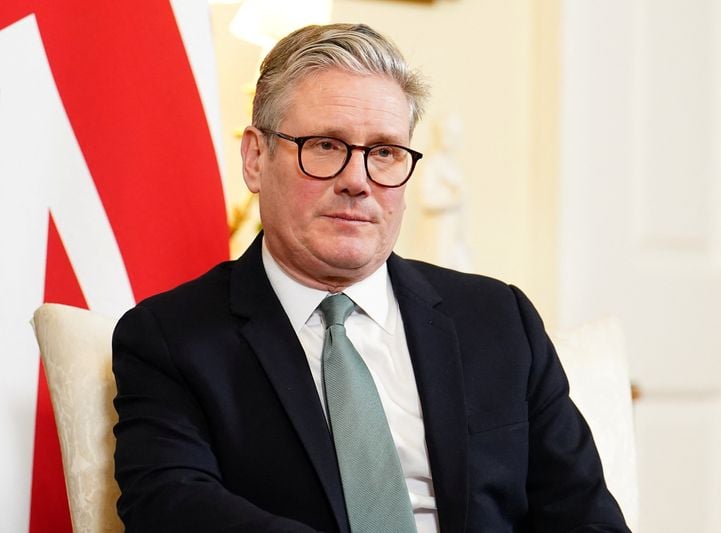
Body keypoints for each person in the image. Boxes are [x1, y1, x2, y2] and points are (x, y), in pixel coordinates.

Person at [112, 23, 630, 533]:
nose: (357, 181)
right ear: (255, 158)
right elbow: (170, 506)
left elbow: (588, 517)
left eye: (384, 152)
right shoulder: (170, 339)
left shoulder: (499, 319)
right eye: (325, 145)